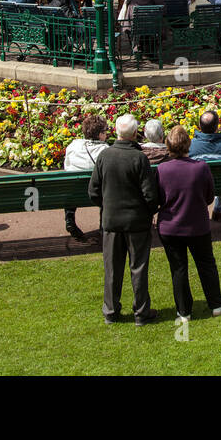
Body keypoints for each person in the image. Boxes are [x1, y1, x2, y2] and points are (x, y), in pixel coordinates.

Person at [88, 114, 159, 326]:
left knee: (112, 268)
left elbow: (93, 191)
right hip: (136, 222)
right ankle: (141, 312)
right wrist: (148, 212)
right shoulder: (139, 158)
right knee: (138, 268)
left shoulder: (105, 156)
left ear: (116, 133)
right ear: (135, 134)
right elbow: (150, 195)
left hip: (112, 222)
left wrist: (107, 206)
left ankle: (111, 310)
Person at [155, 125, 221, 322]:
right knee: (206, 264)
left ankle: (184, 311)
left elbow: (159, 198)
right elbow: (208, 197)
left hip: (172, 226)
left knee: (179, 268)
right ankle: (215, 304)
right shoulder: (199, 167)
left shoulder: (163, 169)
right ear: (188, 144)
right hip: (195, 225)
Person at [62, 115, 110, 243]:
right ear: (100, 134)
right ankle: (103, 226)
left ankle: (69, 219)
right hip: (96, 193)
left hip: (73, 193)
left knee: (72, 186)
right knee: (106, 187)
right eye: (105, 131)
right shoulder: (105, 150)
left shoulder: (73, 145)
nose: (107, 134)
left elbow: (67, 166)